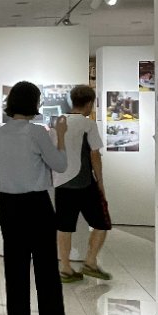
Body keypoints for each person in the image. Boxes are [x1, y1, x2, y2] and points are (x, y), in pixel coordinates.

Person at [0, 81, 77, 315]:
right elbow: (60, 164)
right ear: (33, 103)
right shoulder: (37, 132)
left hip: (8, 205)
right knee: (46, 270)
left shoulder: (0, 134)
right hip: (36, 205)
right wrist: (60, 135)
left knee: (15, 270)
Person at [54, 85, 112, 283]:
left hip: (61, 183)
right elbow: (94, 155)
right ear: (89, 103)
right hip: (84, 183)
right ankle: (90, 262)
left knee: (64, 227)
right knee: (102, 223)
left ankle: (65, 268)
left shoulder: (58, 122)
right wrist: (100, 182)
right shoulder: (88, 125)